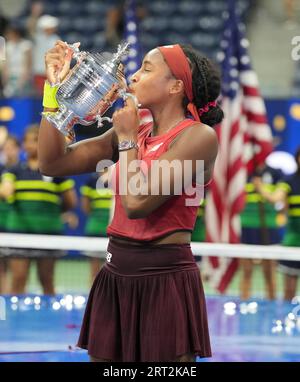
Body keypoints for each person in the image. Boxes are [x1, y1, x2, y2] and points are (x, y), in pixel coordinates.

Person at [38, 40, 222, 361]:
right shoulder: (137, 129)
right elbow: (53, 163)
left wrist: (125, 139)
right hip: (114, 273)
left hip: (164, 281)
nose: (133, 77)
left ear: (176, 86)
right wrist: (54, 92)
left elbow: (138, 204)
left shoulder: (197, 137)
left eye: (146, 69)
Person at [0, 125, 77, 295]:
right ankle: (15, 321)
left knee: (47, 280)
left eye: (35, 141)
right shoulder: (14, 170)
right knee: (18, 280)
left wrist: (54, 212)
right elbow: (6, 190)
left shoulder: (57, 170)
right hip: (19, 234)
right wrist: (5, 190)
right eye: (27, 141)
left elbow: (71, 201)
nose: (30, 145)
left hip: (48, 233)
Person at [254, 148, 300, 301]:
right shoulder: (289, 181)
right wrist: (259, 186)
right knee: (289, 288)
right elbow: (275, 198)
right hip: (294, 241)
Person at [240, 162, 284, 300]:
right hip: (247, 228)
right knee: (246, 272)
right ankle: (244, 305)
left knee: (269, 273)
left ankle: (271, 308)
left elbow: (278, 199)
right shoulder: (242, 172)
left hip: (269, 229)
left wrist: (260, 187)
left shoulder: (276, 172)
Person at [80, 172, 114, 283]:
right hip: (94, 230)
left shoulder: (119, 178)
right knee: (94, 273)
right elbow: (85, 206)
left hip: (113, 233)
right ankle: (94, 299)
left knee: (112, 271)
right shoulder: (91, 181)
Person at [0, 134, 20, 293]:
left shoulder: (22, 170)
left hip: (15, 227)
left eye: (11, 148)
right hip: (1, 225)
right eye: (5, 148)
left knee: (17, 272)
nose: (8, 151)